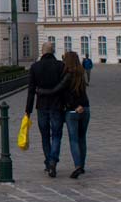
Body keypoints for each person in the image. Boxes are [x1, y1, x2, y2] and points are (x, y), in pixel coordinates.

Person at [38, 51, 91, 179]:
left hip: (72, 111)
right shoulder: (81, 73)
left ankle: (77, 166)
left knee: (73, 140)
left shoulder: (68, 75)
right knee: (82, 138)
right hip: (86, 109)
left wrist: (40, 91)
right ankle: (82, 165)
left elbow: (58, 90)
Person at [24, 41, 65, 177]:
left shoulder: (35, 67)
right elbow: (65, 87)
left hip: (41, 105)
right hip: (57, 104)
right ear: (53, 52)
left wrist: (28, 110)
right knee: (57, 134)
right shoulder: (60, 66)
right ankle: (53, 159)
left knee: (45, 135)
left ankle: (48, 162)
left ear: (42, 52)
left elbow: (31, 90)